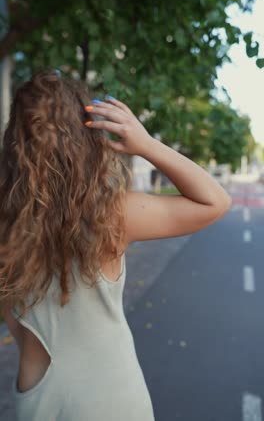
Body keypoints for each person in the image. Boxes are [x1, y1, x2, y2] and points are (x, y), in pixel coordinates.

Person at [0, 70, 231, 421]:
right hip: (111, 399)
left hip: (37, 401)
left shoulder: (6, 225)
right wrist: (147, 143)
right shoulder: (111, 214)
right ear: (84, 137)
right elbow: (215, 202)